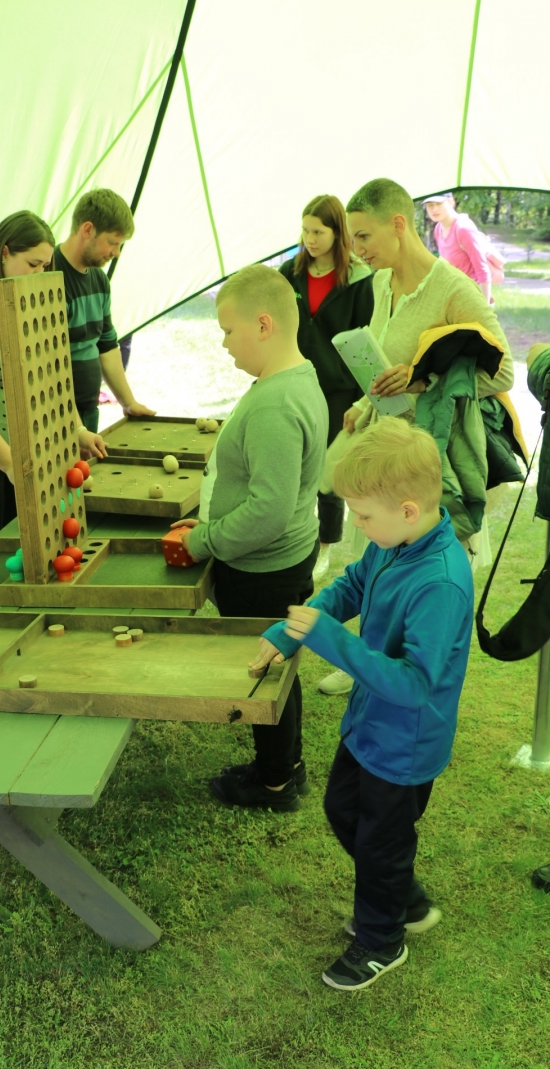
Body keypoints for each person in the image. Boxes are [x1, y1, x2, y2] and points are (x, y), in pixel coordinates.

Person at [253, 418, 474, 990]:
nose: (355, 523)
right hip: (370, 726)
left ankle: (382, 941)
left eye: (363, 515)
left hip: (405, 745)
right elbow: (350, 586)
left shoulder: (440, 582)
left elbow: (416, 686)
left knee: (380, 842)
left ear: (408, 510)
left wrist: (331, 640)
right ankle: (404, 899)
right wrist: (289, 632)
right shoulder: (391, 545)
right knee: (343, 811)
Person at [319, 177, 514, 697]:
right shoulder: (381, 284)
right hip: (384, 450)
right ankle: (365, 661)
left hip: (428, 463)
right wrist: (363, 404)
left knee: (420, 573)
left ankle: (414, 674)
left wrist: (424, 380)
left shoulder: (453, 289)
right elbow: (385, 360)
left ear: (399, 225)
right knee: (375, 561)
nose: (357, 250)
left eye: (364, 237)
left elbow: (503, 372)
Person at [171, 264, 328, 811]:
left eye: (228, 330)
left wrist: (203, 541)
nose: (223, 343)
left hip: (262, 568)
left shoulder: (275, 405)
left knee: (264, 668)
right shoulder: (293, 380)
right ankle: (287, 767)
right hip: (279, 559)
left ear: (263, 325)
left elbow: (268, 511)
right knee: (279, 660)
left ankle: (274, 783)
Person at [0, 210, 106, 537]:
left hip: (19, 452)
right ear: (4, 252)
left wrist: (77, 429)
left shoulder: (21, 296)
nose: (38, 274)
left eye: (45, 266)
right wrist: (10, 464)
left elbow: (46, 377)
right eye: (32, 264)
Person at [279, 194, 374, 576]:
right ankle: (292, 533)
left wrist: (361, 399)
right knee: (293, 462)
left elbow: (366, 339)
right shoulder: (289, 272)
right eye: (305, 230)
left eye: (318, 231)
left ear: (338, 233)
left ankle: (325, 544)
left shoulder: (359, 279)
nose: (310, 239)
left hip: (340, 390)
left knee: (328, 469)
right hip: (294, 383)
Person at [55, 189, 155, 432]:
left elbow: (107, 345)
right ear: (87, 230)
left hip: (89, 411)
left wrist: (128, 402)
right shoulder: (49, 276)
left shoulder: (100, 280)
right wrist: (76, 429)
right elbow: (46, 363)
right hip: (55, 417)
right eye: (112, 243)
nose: (116, 253)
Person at [423, 194, 493, 302]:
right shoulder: (438, 228)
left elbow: (482, 271)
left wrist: (484, 308)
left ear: (451, 202)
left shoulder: (463, 229)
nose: (434, 209)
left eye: (439, 204)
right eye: (430, 205)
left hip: (472, 297)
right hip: (454, 296)